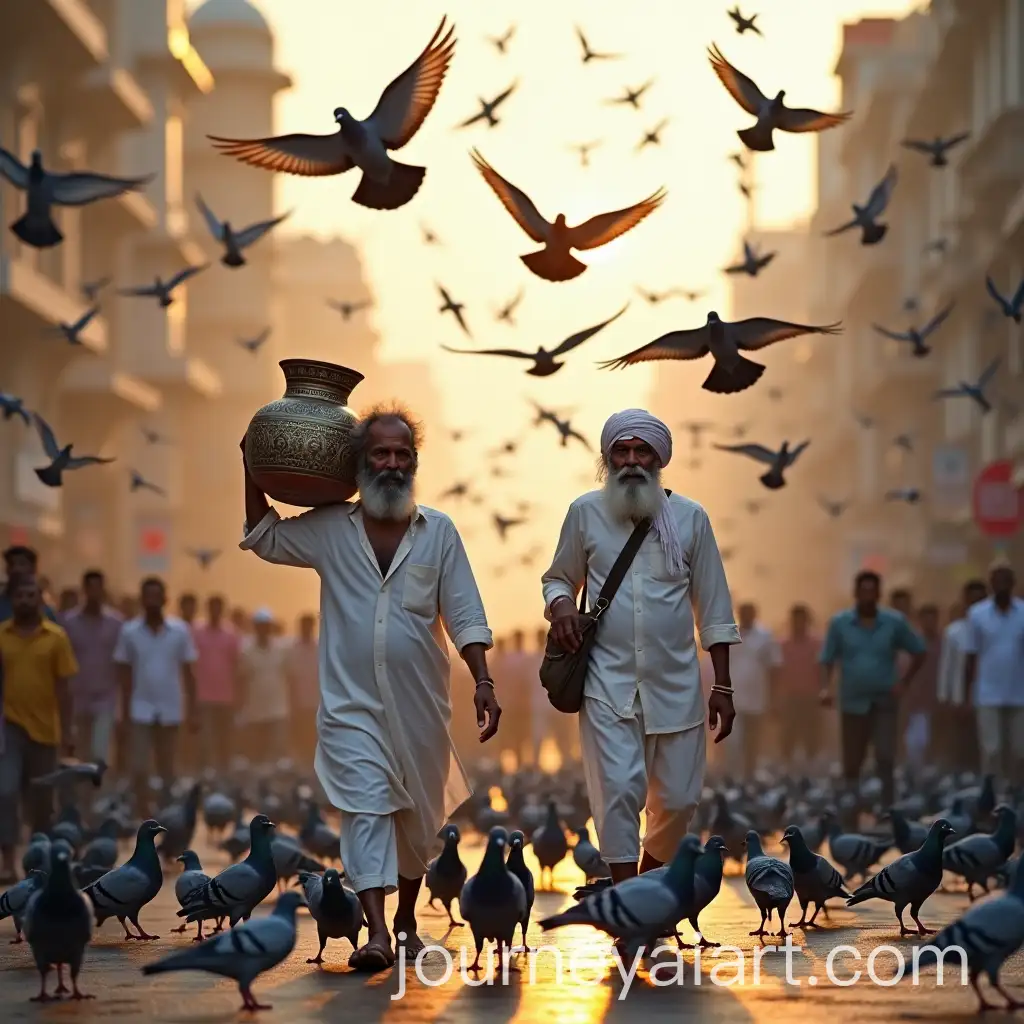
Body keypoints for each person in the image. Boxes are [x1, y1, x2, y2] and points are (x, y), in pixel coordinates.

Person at [239, 403, 498, 971]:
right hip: (349, 708)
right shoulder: (331, 529)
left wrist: (483, 680)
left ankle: (406, 919)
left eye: (402, 454)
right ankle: (378, 931)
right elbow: (263, 535)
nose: (391, 463)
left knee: (417, 823)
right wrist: (248, 463)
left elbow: (465, 613)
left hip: (422, 709)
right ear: (360, 462)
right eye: (380, 453)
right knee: (365, 809)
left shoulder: (440, 532)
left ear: (414, 463)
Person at [541, 409, 739, 887]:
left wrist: (724, 686)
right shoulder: (584, 512)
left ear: (658, 458)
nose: (631, 461)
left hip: (677, 687)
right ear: (608, 458)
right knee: (619, 793)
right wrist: (563, 606)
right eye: (621, 451)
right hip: (607, 685)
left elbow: (713, 607)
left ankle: (642, 884)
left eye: (641, 451)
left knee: (678, 802)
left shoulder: (692, 519)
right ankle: (630, 900)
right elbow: (558, 579)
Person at [819, 570, 926, 807]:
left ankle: (888, 809)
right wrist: (825, 689)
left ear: (879, 594)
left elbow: (919, 651)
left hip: (884, 700)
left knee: (886, 756)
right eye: (863, 591)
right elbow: (827, 659)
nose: (867, 595)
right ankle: (851, 808)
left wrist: (904, 682)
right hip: (852, 701)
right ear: (855, 593)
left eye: (872, 591)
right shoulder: (840, 623)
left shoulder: (894, 622)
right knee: (852, 760)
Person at [0, 576, 78, 881]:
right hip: (10, 727)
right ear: (12, 599)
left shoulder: (56, 637)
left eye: (31, 595)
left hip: (46, 729)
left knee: (42, 802)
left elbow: (65, 688)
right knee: (5, 792)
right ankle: (7, 861)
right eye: (20, 595)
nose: (25, 600)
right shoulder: (1, 636)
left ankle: (39, 863)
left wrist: (69, 731)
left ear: (41, 600)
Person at [114, 577, 198, 811]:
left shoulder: (180, 631)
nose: (152, 601)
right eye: (147, 596)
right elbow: (123, 674)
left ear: (165, 599)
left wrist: (193, 711)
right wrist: (122, 711)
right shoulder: (129, 631)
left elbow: (189, 673)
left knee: (167, 767)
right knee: (139, 767)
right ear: (141, 600)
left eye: (156, 596)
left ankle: (166, 812)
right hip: (140, 707)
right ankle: (142, 810)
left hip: (170, 707)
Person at [963, 563, 1024, 783]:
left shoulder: (1023, 613)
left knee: (1019, 750)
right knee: (992, 749)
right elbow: (971, 656)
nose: (1002, 587)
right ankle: (992, 796)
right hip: (987, 692)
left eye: (1006, 582)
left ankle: (1015, 792)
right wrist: (967, 692)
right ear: (991, 585)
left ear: (1013, 584)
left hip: (1019, 693)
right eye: (997, 582)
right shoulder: (977, 614)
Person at [61, 570, 123, 767]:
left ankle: (99, 796)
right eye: (91, 588)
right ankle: (82, 797)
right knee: (79, 753)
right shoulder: (69, 623)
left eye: (99, 588)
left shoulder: (116, 623)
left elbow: (122, 664)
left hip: (106, 697)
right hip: (76, 697)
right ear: (84, 590)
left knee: (100, 752)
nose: (94, 592)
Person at [937, 579, 987, 772]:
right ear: (965, 601)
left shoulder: (993, 629)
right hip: (959, 698)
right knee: (962, 744)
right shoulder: (954, 632)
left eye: (980, 599)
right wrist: (945, 697)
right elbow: (946, 667)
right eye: (972, 599)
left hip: (989, 697)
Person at [728, 601, 781, 777]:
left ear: (755, 615)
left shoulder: (765, 636)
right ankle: (735, 773)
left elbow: (775, 668)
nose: (746, 617)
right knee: (733, 739)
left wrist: (774, 698)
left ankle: (749, 772)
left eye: (749, 613)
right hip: (732, 696)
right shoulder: (729, 634)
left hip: (757, 697)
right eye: (743, 613)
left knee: (752, 738)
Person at [192, 594, 241, 774]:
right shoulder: (197, 632)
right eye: (211, 607)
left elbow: (237, 665)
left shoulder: (231, 634)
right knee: (205, 739)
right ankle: (206, 773)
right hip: (203, 694)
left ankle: (224, 772)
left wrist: (238, 695)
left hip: (226, 695)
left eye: (218, 608)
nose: (215, 611)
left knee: (225, 738)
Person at [236, 608, 290, 763]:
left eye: (266, 625)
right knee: (256, 753)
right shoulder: (246, 650)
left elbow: (288, 677)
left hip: (277, 710)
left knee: (275, 753)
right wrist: (240, 709)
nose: (263, 629)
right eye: (260, 625)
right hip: (254, 711)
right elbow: (241, 680)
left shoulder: (282, 649)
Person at [777, 604, 824, 769]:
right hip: (790, 697)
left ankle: (811, 768)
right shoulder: (782, 644)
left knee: (811, 734)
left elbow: (823, 670)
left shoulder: (817, 643)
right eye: (795, 620)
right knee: (788, 735)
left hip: (811, 696)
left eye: (802, 620)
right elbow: (777, 673)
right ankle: (787, 769)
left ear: (807, 621)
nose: (798, 624)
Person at [903, 604, 942, 771]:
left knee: (937, 739)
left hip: (940, 698)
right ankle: (916, 771)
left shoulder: (944, 642)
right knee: (917, 740)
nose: (929, 622)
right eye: (925, 618)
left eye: (932, 618)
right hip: (916, 698)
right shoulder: (911, 642)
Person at [285, 612, 320, 764]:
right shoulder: (292, 649)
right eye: (303, 626)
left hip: (316, 703)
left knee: (314, 739)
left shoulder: (320, 647)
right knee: (299, 739)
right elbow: (290, 678)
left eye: (308, 626)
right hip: (298, 703)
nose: (306, 629)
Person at [0, 547, 58, 622]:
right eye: (11, 564)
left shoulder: (44, 611)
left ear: (33, 568)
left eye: (22, 564)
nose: (16, 568)